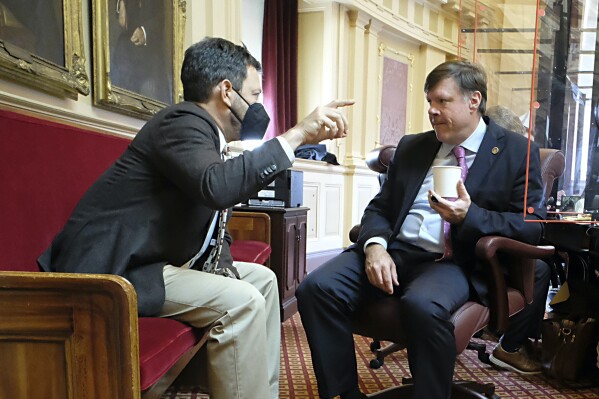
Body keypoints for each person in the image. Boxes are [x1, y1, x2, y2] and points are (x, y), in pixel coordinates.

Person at [38, 37, 353, 399]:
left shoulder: (204, 133)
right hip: (113, 268)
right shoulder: (181, 122)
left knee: (263, 281)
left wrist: (225, 267)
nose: (259, 107)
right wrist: (297, 135)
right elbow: (216, 187)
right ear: (227, 92)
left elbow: (212, 217)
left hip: (155, 260)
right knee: (242, 303)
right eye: (254, 94)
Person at [296, 60, 547, 399]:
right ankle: (343, 394)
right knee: (316, 288)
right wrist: (374, 247)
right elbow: (381, 208)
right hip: (396, 250)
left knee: (423, 305)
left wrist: (469, 216)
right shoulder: (414, 146)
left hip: (453, 261)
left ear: (474, 100)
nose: (432, 110)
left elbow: (530, 228)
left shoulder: (518, 152)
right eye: (429, 101)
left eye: (442, 101)